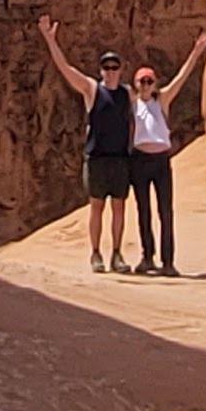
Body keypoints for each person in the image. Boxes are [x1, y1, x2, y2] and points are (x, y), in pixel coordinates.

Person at [37, 19, 144, 268]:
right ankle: (95, 253)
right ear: (101, 70)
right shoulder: (92, 89)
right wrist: (50, 39)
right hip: (96, 158)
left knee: (119, 207)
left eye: (114, 66)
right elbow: (65, 68)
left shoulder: (128, 93)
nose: (110, 71)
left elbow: (151, 102)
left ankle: (116, 254)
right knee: (96, 207)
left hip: (119, 159)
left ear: (120, 69)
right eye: (106, 67)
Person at [120, 26, 206, 275]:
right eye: (141, 81)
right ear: (135, 84)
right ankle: (147, 258)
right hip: (139, 160)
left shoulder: (162, 100)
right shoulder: (132, 103)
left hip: (161, 161)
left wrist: (196, 53)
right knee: (144, 211)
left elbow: (182, 78)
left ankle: (168, 262)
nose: (145, 85)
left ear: (155, 84)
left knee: (165, 211)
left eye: (149, 81)